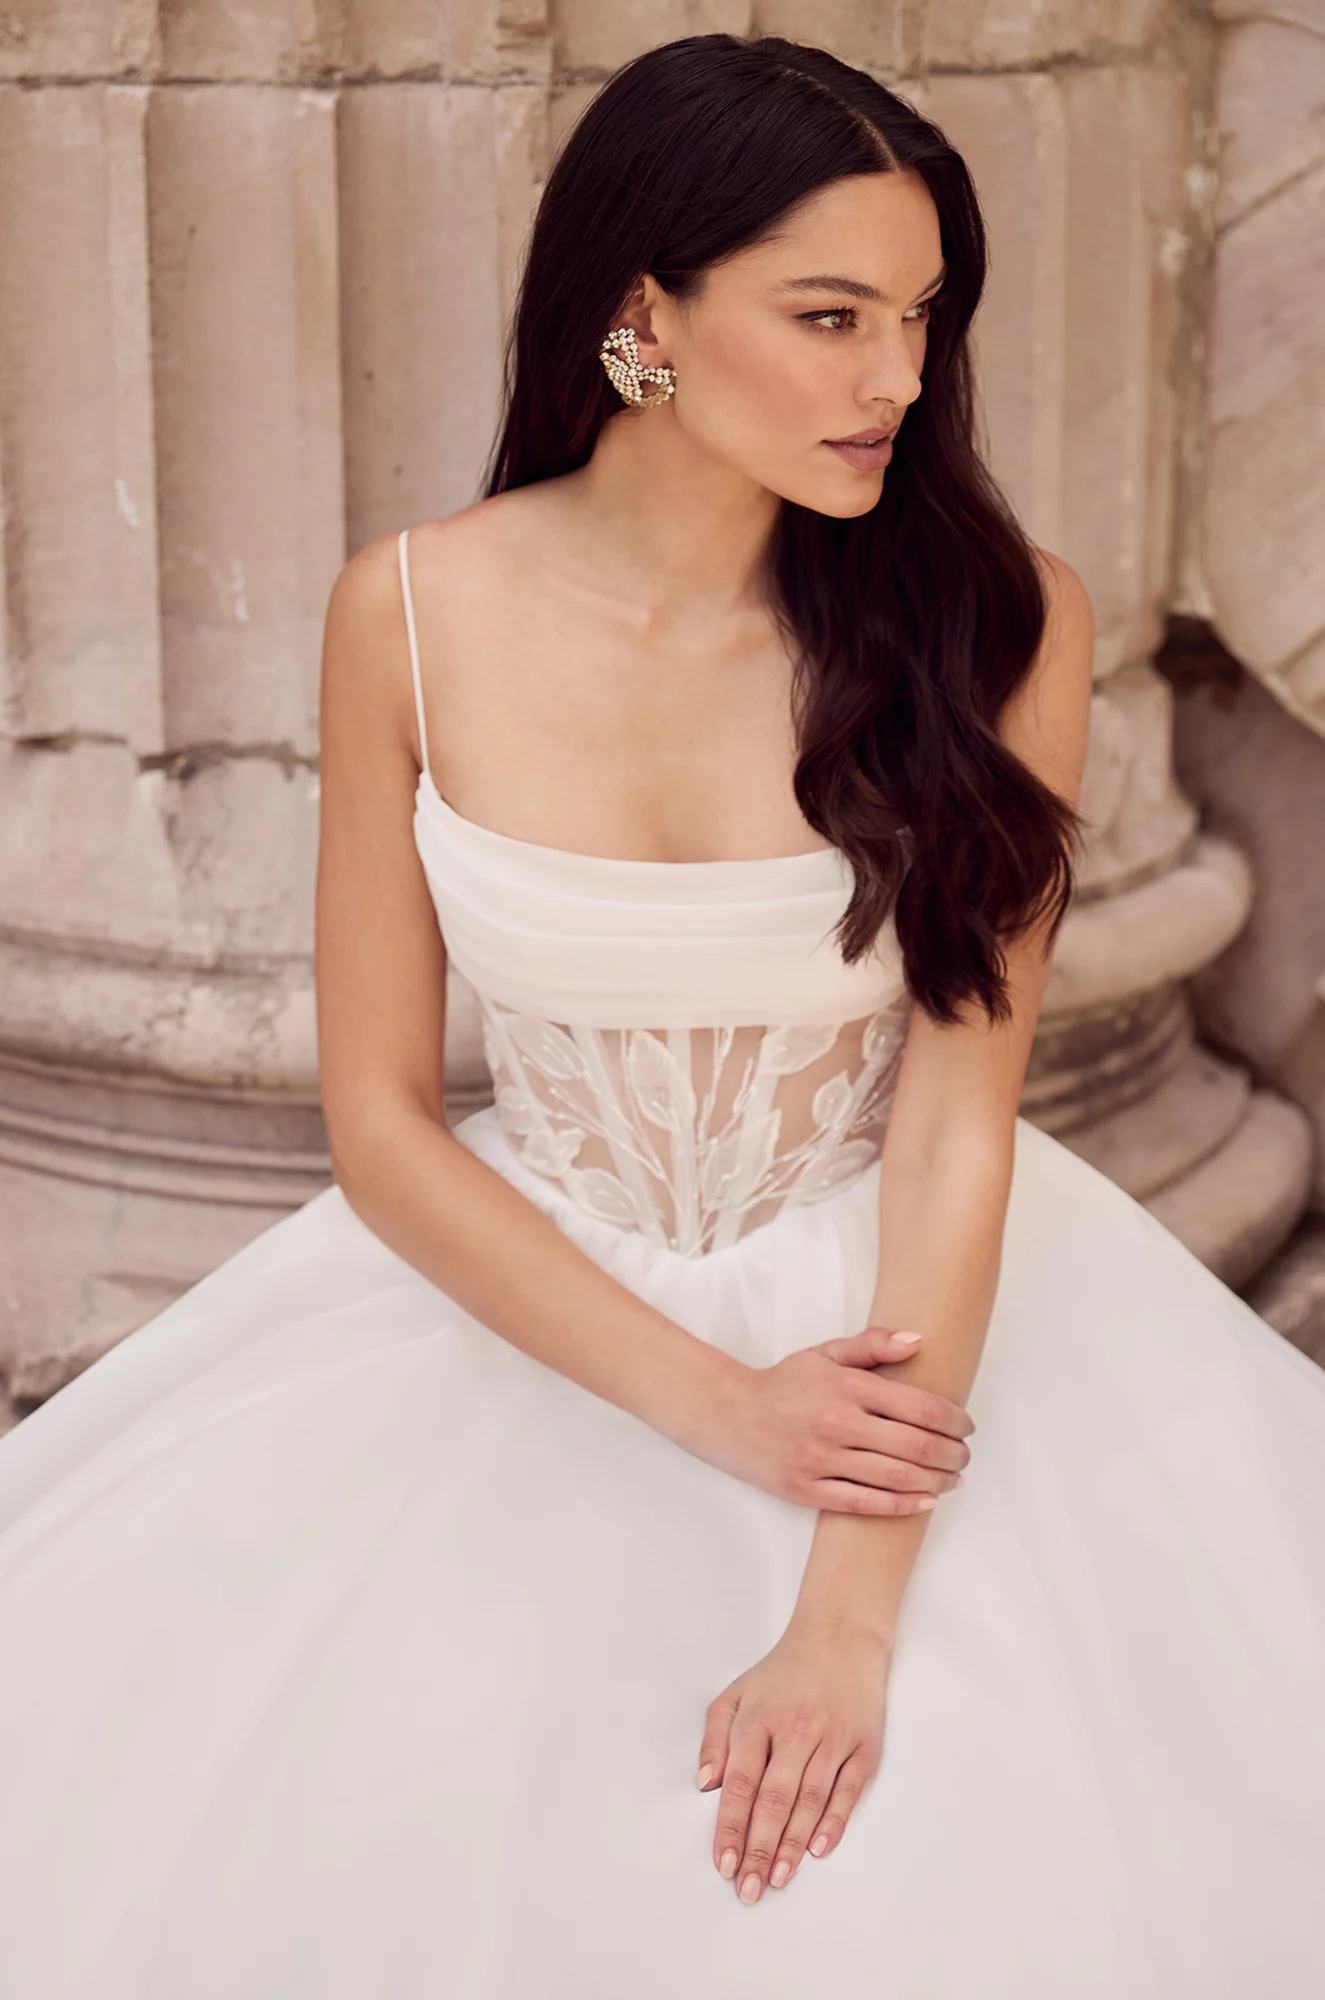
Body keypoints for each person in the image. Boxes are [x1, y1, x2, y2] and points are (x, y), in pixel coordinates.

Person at [0, 31, 1322, 1998]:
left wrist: (846, 1613)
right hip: (531, 1295)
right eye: (826, 315)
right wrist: (716, 1403)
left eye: (915, 319)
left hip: (902, 1296)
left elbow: (951, 1122)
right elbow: (374, 1119)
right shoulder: (412, 612)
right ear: (644, 315)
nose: (893, 378)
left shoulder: (991, 627)